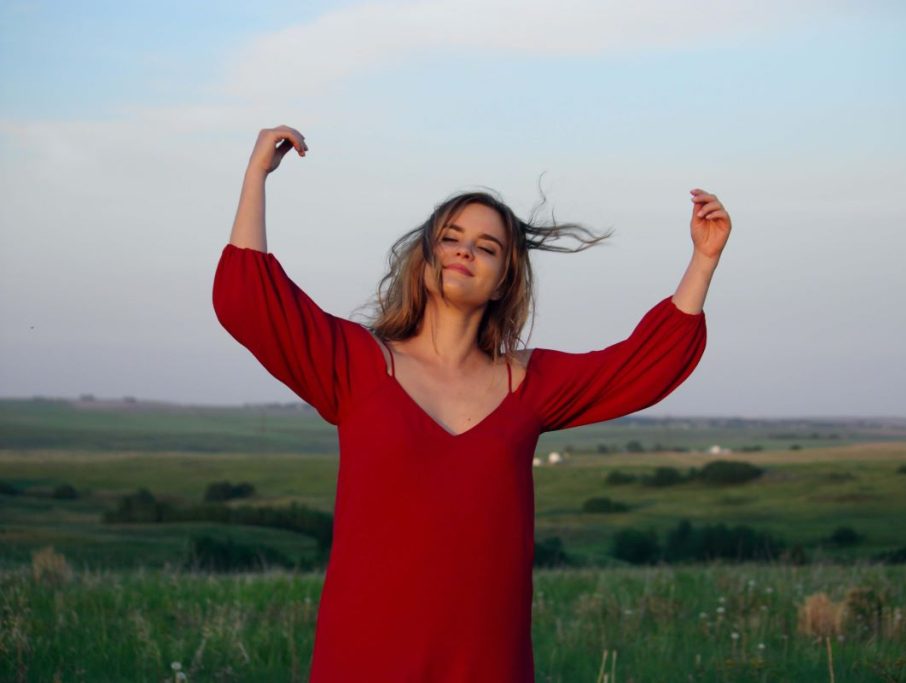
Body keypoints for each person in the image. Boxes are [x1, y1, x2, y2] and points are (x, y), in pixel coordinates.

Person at [212, 125, 730, 681]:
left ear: (506, 279)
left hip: (486, 659)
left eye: (487, 247)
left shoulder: (528, 384)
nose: (465, 251)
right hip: (366, 654)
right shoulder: (356, 365)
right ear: (427, 255)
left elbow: (643, 365)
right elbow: (250, 300)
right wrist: (255, 177)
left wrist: (704, 259)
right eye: (452, 237)